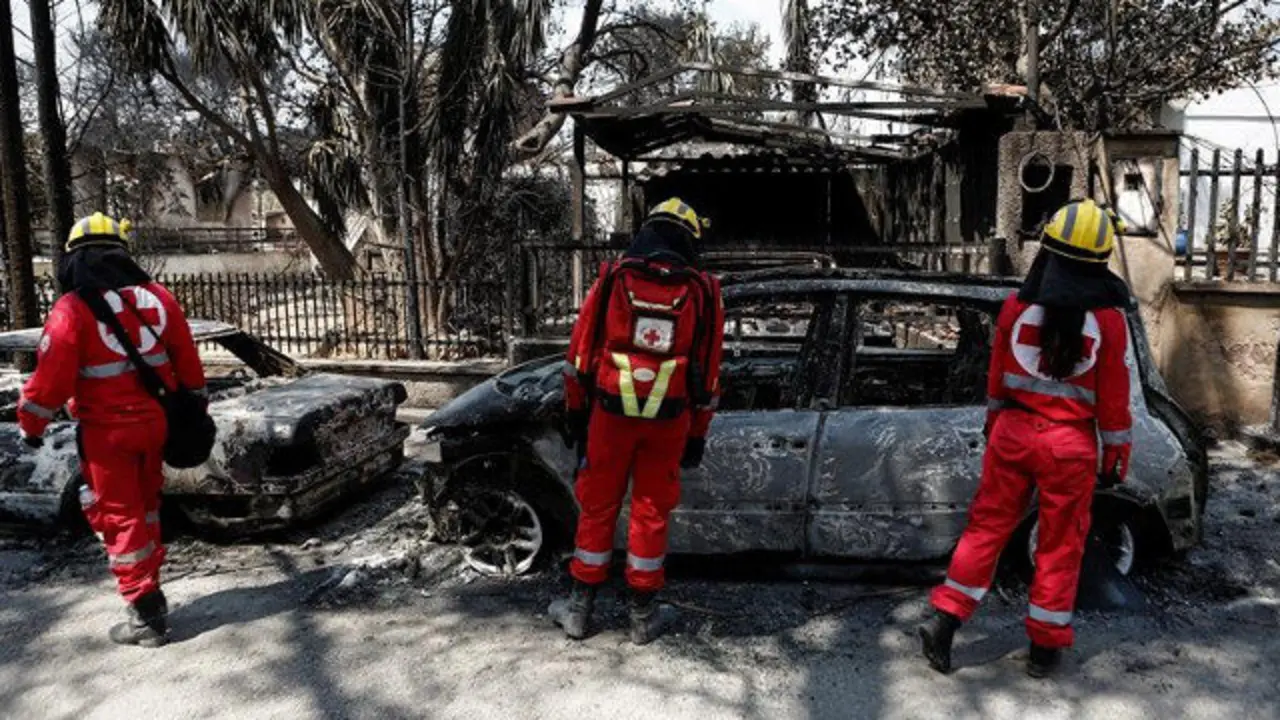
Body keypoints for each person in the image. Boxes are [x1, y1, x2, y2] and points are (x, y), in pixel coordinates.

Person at [918, 199, 1134, 678]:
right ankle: (1044, 648)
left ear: (1046, 252)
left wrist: (996, 429)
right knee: (1060, 543)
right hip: (1070, 447)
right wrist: (1116, 453)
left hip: (1013, 435)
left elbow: (995, 383)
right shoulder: (1111, 323)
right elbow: (1115, 402)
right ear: (1100, 263)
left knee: (986, 528)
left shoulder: (1015, 307)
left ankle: (946, 617)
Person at [17, 212, 206, 647]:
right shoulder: (159, 297)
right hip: (156, 426)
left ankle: (144, 614)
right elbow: (189, 364)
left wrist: (31, 424)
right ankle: (151, 587)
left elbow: (50, 380)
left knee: (118, 515)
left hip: (107, 435)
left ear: (73, 258)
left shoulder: (71, 309)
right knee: (148, 507)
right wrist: (195, 407)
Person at [548, 198, 725, 645]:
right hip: (669, 421)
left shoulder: (612, 278)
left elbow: (578, 356)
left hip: (610, 416)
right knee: (650, 510)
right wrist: (698, 434)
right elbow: (710, 372)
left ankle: (578, 611)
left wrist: (574, 410)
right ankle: (643, 618)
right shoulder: (703, 289)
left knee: (599, 504)